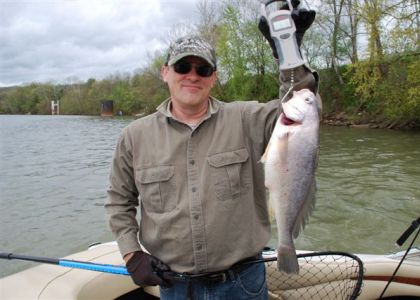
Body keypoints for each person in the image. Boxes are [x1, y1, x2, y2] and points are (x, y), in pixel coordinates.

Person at [105, 3, 319, 299]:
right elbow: (119, 202)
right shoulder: (133, 137)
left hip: (243, 283)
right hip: (174, 287)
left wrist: (287, 50)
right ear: (165, 72)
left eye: (203, 69)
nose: (193, 75)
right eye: (183, 67)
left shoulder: (248, 119)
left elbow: (300, 99)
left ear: (213, 77)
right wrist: (131, 254)